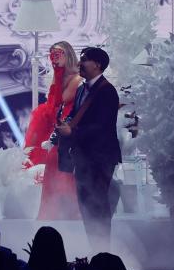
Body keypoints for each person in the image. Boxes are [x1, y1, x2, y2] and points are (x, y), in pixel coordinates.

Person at [54, 47, 121, 253]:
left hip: (101, 158)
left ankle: (103, 252)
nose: (79, 64)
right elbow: (77, 116)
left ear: (97, 65)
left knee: (98, 205)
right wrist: (66, 124)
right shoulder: (83, 89)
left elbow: (101, 126)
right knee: (85, 205)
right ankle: (95, 250)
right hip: (83, 157)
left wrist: (72, 132)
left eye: (83, 60)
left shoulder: (108, 91)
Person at [23, 41, 82, 220]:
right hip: (56, 126)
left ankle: (68, 215)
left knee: (62, 172)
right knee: (51, 167)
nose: (55, 58)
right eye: (53, 54)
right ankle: (51, 216)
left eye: (59, 54)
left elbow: (63, 99)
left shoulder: (77, 79)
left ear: (68, 54)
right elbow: (53, 103)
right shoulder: (58, 78)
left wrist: (58, 73)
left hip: (70, 129)